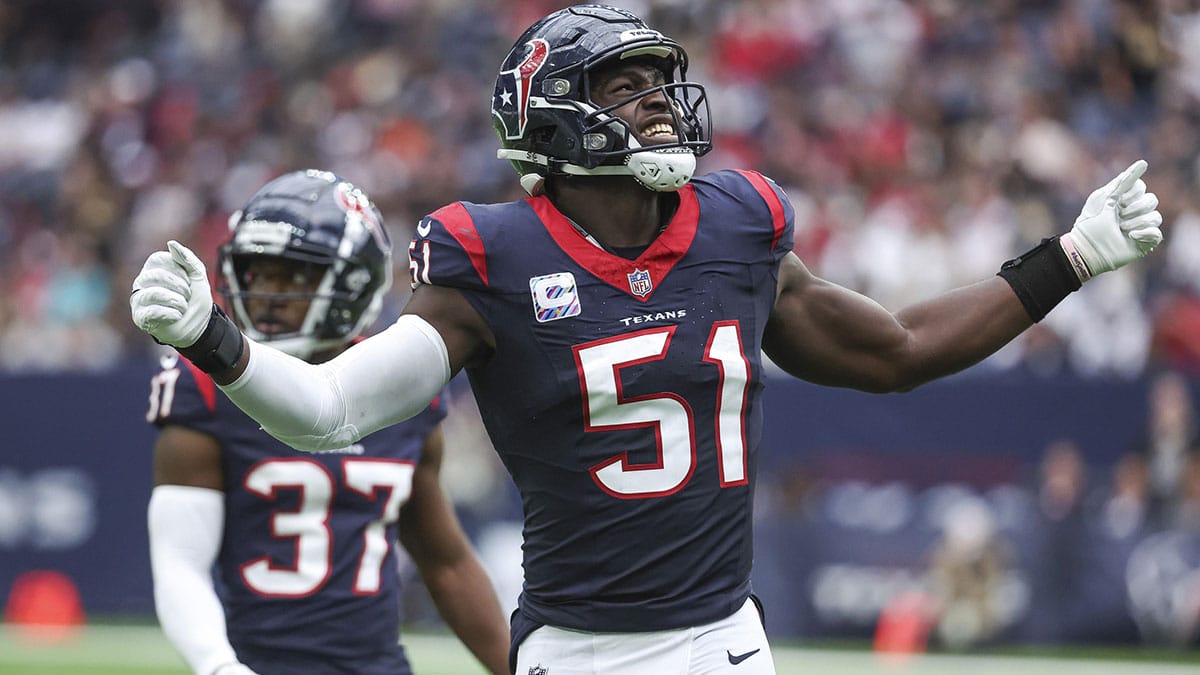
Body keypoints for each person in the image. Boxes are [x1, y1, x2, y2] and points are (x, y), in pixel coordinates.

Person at [130, 6, 1164, 674]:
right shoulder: (487, 257)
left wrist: (1065, 256)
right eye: (626, 87)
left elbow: (894, 349)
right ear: (554, 118)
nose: (660, 104)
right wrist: (215, 339)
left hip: (726, 641)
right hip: (579, 654)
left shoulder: (735, 225)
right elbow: (334, 410)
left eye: (660, 81)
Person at [142, 170, 509, 675]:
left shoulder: (399, 389)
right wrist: (218, 666)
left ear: (355, 284)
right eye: (258, 273)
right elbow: (181, 563)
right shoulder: (203, 385)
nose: (268, 293)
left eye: (294, 276)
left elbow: (445, 562)